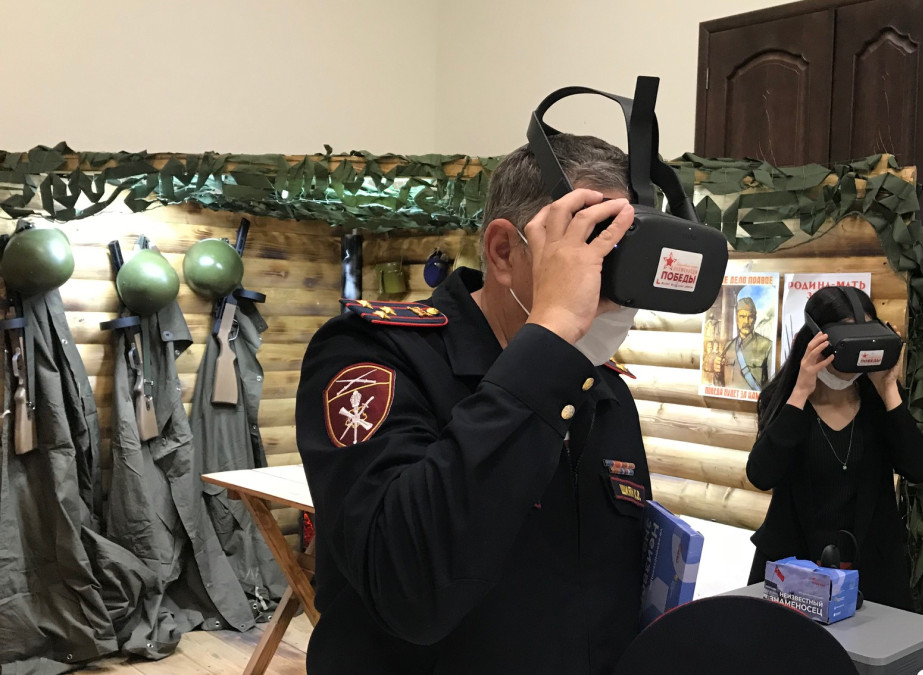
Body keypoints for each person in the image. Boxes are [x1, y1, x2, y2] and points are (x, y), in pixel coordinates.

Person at [296, 134, 654, 674]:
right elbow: (410, 591)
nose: (615, 291)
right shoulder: (371, 356)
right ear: (505, 252)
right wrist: (551, 338)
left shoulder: (604, 390)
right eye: (587, 250)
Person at [744, 286, 923, 610]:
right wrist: (800, 393)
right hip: (794, 569)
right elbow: (761, 474)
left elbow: (918, 468)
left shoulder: (880, 403)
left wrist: (888, 388)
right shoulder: (785, 399)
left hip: (871, 571)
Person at [719, 295, 773, 390]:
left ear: (755, 319)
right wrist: (717, 373)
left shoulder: (767, 346)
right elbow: (720, 385)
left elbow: (772, 385)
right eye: (742, 316)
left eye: (750, 317)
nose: (746, 321)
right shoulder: (728, 347)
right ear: (737, 319)